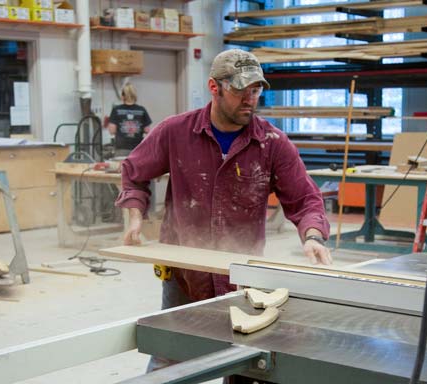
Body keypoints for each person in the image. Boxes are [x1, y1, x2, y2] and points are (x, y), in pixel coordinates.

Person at [115, 49, 331, 375]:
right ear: (214, 87)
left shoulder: (272, 143)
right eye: (241, 90)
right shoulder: (176, 132)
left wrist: (313, 236)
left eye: (256, 90)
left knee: (244, 363)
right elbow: (134, 171)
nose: (250, 99)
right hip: (184, 277)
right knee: (168, 358)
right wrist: (134, 214)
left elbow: (305, 199)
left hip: (242, 278)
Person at [107, 83, 152, 157]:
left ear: (122, 96)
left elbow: (112, 131)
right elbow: (147, 130)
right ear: (134, 95)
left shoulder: (116, 109)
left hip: (122, 148)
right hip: (138, 148)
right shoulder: (141, 110)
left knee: (122, 168)